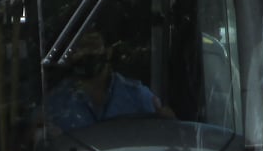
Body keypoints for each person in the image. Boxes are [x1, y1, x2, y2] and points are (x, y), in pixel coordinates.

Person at [45, 31, 173, 132]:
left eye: (92, 46)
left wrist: (171, 124)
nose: (85, 53)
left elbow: (165, 133)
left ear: (108, 52)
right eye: (78, 48)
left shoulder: (137, 95)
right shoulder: (57, 100)